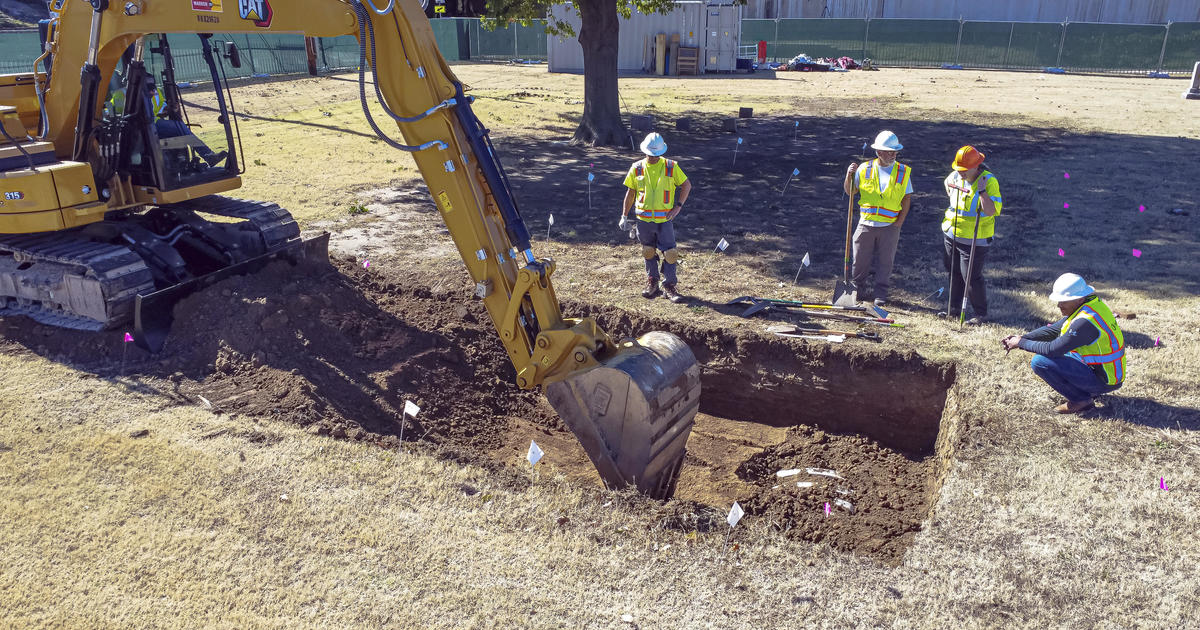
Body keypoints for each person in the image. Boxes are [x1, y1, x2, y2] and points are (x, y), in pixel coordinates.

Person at [1001, 273, 1125, 414]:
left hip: (1105, 381)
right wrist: (1023, 337)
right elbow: (1054, 329)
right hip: (1105, 373)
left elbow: (1053, 350)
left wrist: (1021, 343)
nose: (1059, 305)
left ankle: (1081, 400)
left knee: (1040, 361)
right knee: (1059, 351)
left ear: (1079, 299)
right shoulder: (1090, 305)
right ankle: (1088, 390)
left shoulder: (1085, 322)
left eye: (1064, 301)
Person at [842, 130, 912, 307]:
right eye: (889, 151)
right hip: (866, 223)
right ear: (879, 152)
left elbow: (906, 198)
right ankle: (857, 289)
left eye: (895, 151)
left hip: (890, 226)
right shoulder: (864, 169)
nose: (893, 154)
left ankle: (880, 293)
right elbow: (851, 192)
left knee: (885, 262)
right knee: (860, 260)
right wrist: (848, 175)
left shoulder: (903, 171)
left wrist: (899, 223)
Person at [620, 132, 692, 303]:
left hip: (664, 221)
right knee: (648, 251)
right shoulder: (636, 167)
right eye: (651, 154)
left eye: (656, 154)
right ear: (645, 151)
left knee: (670, 253)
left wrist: (678, 207)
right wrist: (624, 215)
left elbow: (686, 185)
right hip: (643, 220)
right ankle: (652, 282)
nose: (653, 157)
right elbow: (630, 194)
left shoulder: (671, 166)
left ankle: (669, 286)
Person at [940, 145, 1001, 324]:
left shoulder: (989, 181)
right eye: (959, 169)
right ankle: (954, 310)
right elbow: (948, 187)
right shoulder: (954, 176)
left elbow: (991, 210)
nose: (961, 173)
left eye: (965, 170)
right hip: (951, 233)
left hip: (975, 239)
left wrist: (982, 192)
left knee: (971, 277)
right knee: (954, 272)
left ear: (977, 166)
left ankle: (981, 314)